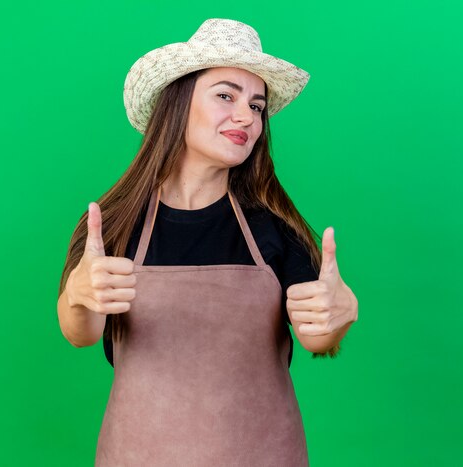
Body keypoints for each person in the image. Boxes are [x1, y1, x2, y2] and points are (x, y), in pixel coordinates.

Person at [57, 18, 358, 466]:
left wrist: (341, 314)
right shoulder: (113, 225)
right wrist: (79, 298)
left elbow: (319, 337)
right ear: (178, 102)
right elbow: (81, 334)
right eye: (225, 95)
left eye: (256, 106)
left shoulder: (274, 228)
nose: (246, 117)